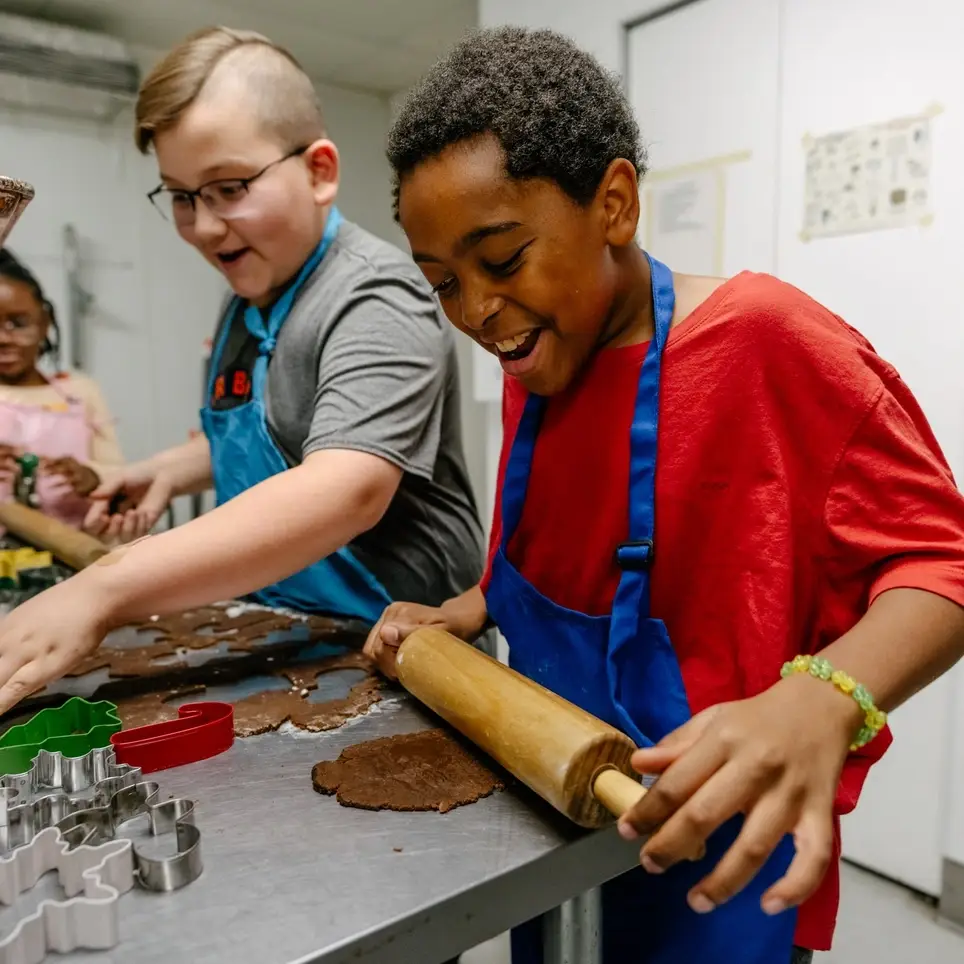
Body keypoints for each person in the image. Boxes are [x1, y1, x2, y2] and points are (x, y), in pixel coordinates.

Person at [364, 26, 964, 964]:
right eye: (442, 282)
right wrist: (467, 612)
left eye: (503, 258)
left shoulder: (765, 340)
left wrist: (826, 697)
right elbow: (561, 554)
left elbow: (942, 563)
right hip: (556, 817)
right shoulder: (538, 358)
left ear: (614, 202)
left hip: (722, 839)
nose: (475, 310)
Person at [0, 27, 482, 694]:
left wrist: (104, 587)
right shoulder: (247, 297)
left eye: (228, 188)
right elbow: (280, 427)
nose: (201, 225)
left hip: (398, 648)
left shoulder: (375, 295)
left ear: (319, 171)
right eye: (180, 195)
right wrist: (167, 470)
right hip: (286, 630)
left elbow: (346, 488)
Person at [0, 248, 124, 527]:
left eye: (18, 324)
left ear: (44, 324)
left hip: (75, 553)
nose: (4, 339)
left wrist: (91, 476)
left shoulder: (81, 393)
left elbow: (120, 475)